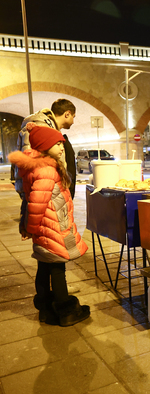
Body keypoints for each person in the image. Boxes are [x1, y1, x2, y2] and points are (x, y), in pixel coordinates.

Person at [8, 123, 90, 327]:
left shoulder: (37, 166)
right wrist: (32, 228)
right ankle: (66, 311)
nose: (62, 147)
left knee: (44, 267)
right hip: (51, 228)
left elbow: (30, 201)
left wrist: (31, 228)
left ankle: (45, 309)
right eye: (57, 144)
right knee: (57, 267)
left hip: (45, 227)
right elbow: (36, 203)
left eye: (61, 143)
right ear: (44, 146)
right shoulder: (46, 169)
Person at [13, 98, 77, 198]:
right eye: (73, 117)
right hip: (44, 194)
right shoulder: (42, 127)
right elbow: (31, 165)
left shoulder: (48, 127)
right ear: (67, 114)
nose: (73, 121)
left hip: (47, 191)